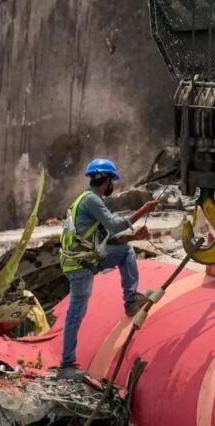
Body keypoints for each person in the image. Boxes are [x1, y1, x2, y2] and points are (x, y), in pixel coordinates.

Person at [56, 158, 158, 380]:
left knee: (126, 251)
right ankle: (67, 365)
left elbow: (108, 238)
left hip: (86, 259)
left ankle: (131, 300)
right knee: (75, 315)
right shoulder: (92, 200)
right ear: (107, 180)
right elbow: (114, 224)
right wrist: (143, 210)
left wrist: (134, 237)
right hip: (80, 265)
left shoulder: (87, 200)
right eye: (112, 181)